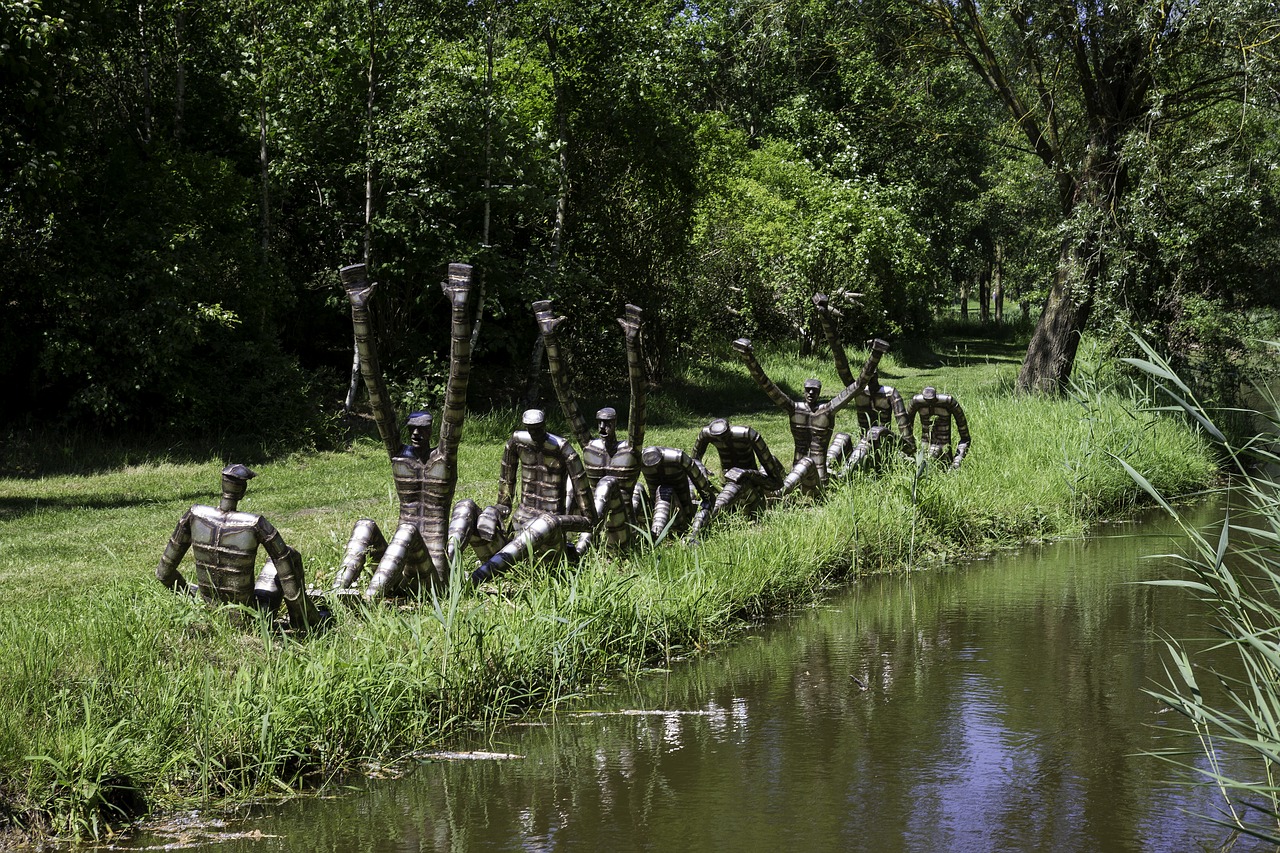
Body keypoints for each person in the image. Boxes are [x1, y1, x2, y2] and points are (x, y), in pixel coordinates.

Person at [333, 262, 479, 599]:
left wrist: (459, 306)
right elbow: (375, 390)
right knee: (366, 526)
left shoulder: (443, 459)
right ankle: (336, 592)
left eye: (423, 430)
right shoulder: (400, 459)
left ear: (432, 433)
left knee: (409, 532)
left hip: (433, 575)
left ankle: (369, 601)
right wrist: (359, 309)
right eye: (411, 429)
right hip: (398, 568)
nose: (415, 434)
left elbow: (457, 386)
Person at [156, 464, 325, 633]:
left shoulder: (194, 514)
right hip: (250, 619)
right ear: (243, 490)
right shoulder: (255, 523)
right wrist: (314, 617)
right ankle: (305, 622)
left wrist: (194, 599)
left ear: (222, 485)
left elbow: (164, 573)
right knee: (290, 555)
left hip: (206, 611)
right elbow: (291, 590)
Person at [535, 300, 645, 549]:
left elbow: (638, 401)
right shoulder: (590, 448)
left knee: (607, 485)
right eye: (600, 423)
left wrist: (632, 343)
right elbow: (565, 397)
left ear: (615, 424)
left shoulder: (629, 451)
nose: (603, 428)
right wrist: (549, 339)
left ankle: (582, 546)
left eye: (608, 424)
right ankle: (567, 540)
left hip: (622, 530)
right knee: (571, 481)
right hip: (591, 526)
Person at [732, 337, 889, 497]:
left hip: (818, 479)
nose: (811, 393)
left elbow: (857, 386)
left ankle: (780, 494)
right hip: (795, 475)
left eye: (815, 390)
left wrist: (875, 355)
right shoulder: (795, 409)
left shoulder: (826, 411)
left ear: (819, 392)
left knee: (808, 462)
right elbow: (767, 385)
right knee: (770, 461)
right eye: (808, 389)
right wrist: (748, 357)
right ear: (804, 390)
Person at [467, 408, 597, 583]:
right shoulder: (516, 442)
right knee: (466, 507)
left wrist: (556, 522)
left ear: (544, 425)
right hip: (518, 531)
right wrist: (493, 511)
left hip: (549, 540)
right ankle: (448, 571)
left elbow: (590, 521)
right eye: (530, 428)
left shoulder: (562, 448)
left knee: (545, 522)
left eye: (538, 428)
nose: (534, 433)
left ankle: (477, 578)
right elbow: (504, 503)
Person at [810, 292, 914, 474]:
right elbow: (838, 356)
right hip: (861, 447)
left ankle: (843, 477)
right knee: (842, 437)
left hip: (883, 448)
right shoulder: (859, 391)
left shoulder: (890, 394)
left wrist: (883, 433)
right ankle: (823, 471)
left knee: (870, 440)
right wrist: (824, 315)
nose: (868, 378)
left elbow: (909, 443)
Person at [688, 418, 785, 538]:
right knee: (692, 483)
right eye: (717, 440)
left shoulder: (747, 434)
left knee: (738, 482)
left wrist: (747, 473)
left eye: (724, 437)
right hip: (724, 491)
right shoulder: (705, 434)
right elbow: (692, 464)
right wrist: (701, 469)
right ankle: (689, 518)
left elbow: (777, 483)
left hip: (752, 494)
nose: (722, 441)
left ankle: (695, 533)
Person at [638, 446, 717, 541]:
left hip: (683, 515)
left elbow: (706, 494)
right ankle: (635, 533)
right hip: (653, 510)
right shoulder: (637, 459)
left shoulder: (677, 457)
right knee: (637, 488)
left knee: (665, 491)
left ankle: (655, 536)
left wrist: (697, 526)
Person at [906, 386, 971, 469]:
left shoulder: (948, 401)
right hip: (925, 449)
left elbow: (965, 437)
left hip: (944, 450)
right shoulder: (916, 402)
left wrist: (957, 461)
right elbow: (906, 432)